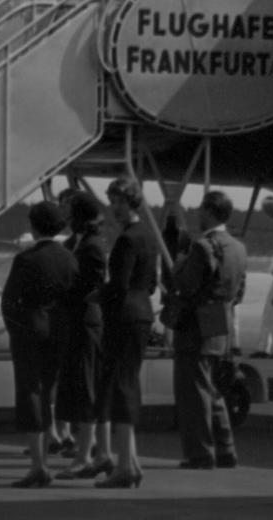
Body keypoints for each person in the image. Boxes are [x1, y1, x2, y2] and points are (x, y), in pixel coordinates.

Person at [169, 190, 247, 470]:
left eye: (202, 209)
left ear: (210, 211)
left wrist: (178, 263)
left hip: (196, 324)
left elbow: (185, 285)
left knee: (193, 391)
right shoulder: (238, 248)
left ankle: (201, 453)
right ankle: (225, 449)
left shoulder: (202, 246)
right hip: (219, 319)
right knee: (213, 388)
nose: (197, 214)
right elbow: (240, 292)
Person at [3, 201, 79, 488]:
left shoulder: (25, 260)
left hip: (29, 332)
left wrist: (17, 329)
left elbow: (8, 302)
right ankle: (48, 454)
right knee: (47, 391)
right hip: (59, 331)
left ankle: (38, 465)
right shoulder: (70, 258)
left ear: (34, 226)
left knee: (30, 393)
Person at [93, 177, 160, 489]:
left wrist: (96, 295)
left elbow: (118, 285)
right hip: (142, 312)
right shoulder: (147, 235)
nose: (113, 206)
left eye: (118, 201)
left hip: (124, 316)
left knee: (121, 387)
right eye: (112, 200)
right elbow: (152, 283)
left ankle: (124, 466)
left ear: (130, 202)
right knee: (128, 383)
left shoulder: (127, 239)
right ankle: (129, 461)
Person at [53, 190, 109, 480]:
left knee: (86, 388)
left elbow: (89, 287)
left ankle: (85, 455)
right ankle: (90, 450)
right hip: (76, 323)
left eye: (70, 212)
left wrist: (60, 293)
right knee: (79, 386)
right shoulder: (82, 244)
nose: (65, 217)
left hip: (85, 323)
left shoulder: (91, 247)